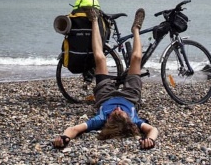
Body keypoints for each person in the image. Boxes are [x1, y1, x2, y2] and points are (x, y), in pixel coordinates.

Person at [53, 8, 159, 150]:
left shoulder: (100, 119)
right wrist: (150, 140)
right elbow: (153, 130)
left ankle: (95, 20)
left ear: (108, 119)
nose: (118, 108)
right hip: (131, 97)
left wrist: (64, 138)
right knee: (136, 58)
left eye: (114, 112)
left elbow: (75, 129)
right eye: (121, 112)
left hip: (105, 96)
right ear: (128, 118)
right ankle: (136, 29)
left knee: (100, 58)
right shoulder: (134, 120)